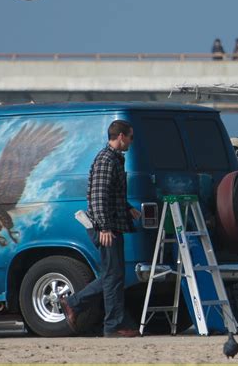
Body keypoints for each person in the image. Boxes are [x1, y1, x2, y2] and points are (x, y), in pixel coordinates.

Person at [60, 120, 141, 338]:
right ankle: (113, 325)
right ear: (121, 136)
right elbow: (98, 196)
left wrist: (127, 208)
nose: (132, 142)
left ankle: (74, 303)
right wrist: (104, 227)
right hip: (107, 228)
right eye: (131, 137)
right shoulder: (106, 159)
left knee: (111, 275)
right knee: (113, 277)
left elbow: (111, 193)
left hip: (112, 224)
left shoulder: (114, 159)